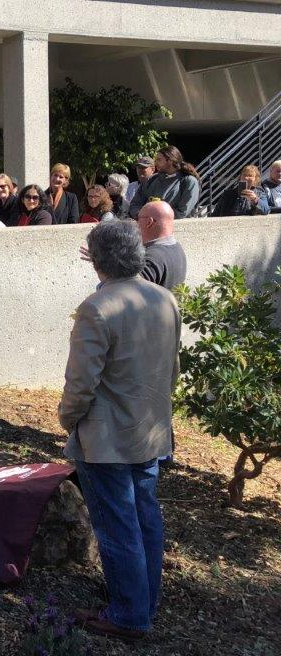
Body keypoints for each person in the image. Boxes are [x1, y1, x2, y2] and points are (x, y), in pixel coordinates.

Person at [59, 220, 180, 642]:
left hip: (106, 439)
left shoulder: (97, 307)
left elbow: (80, 385)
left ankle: (129, 615)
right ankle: (145, 601)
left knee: (118, 525)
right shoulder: (164, 299)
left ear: (97, 260)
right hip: (151, 431)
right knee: (146, 516)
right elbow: (172, 372)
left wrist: (67, 420)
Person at [128, 146, 201, 219]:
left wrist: (156, 216)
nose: (155, 163)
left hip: (177, 229)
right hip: (147, 227)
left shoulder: (188, 181)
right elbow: (135, 205)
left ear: (170, 161)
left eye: (159, 160)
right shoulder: (150, 180)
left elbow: (182, 212)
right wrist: (142, 216)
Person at [136, 201, 187, 290]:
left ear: (149, 222)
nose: (136, 223)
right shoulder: (177, 247)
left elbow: (128, 292)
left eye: (138, 218)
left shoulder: (151, 258)